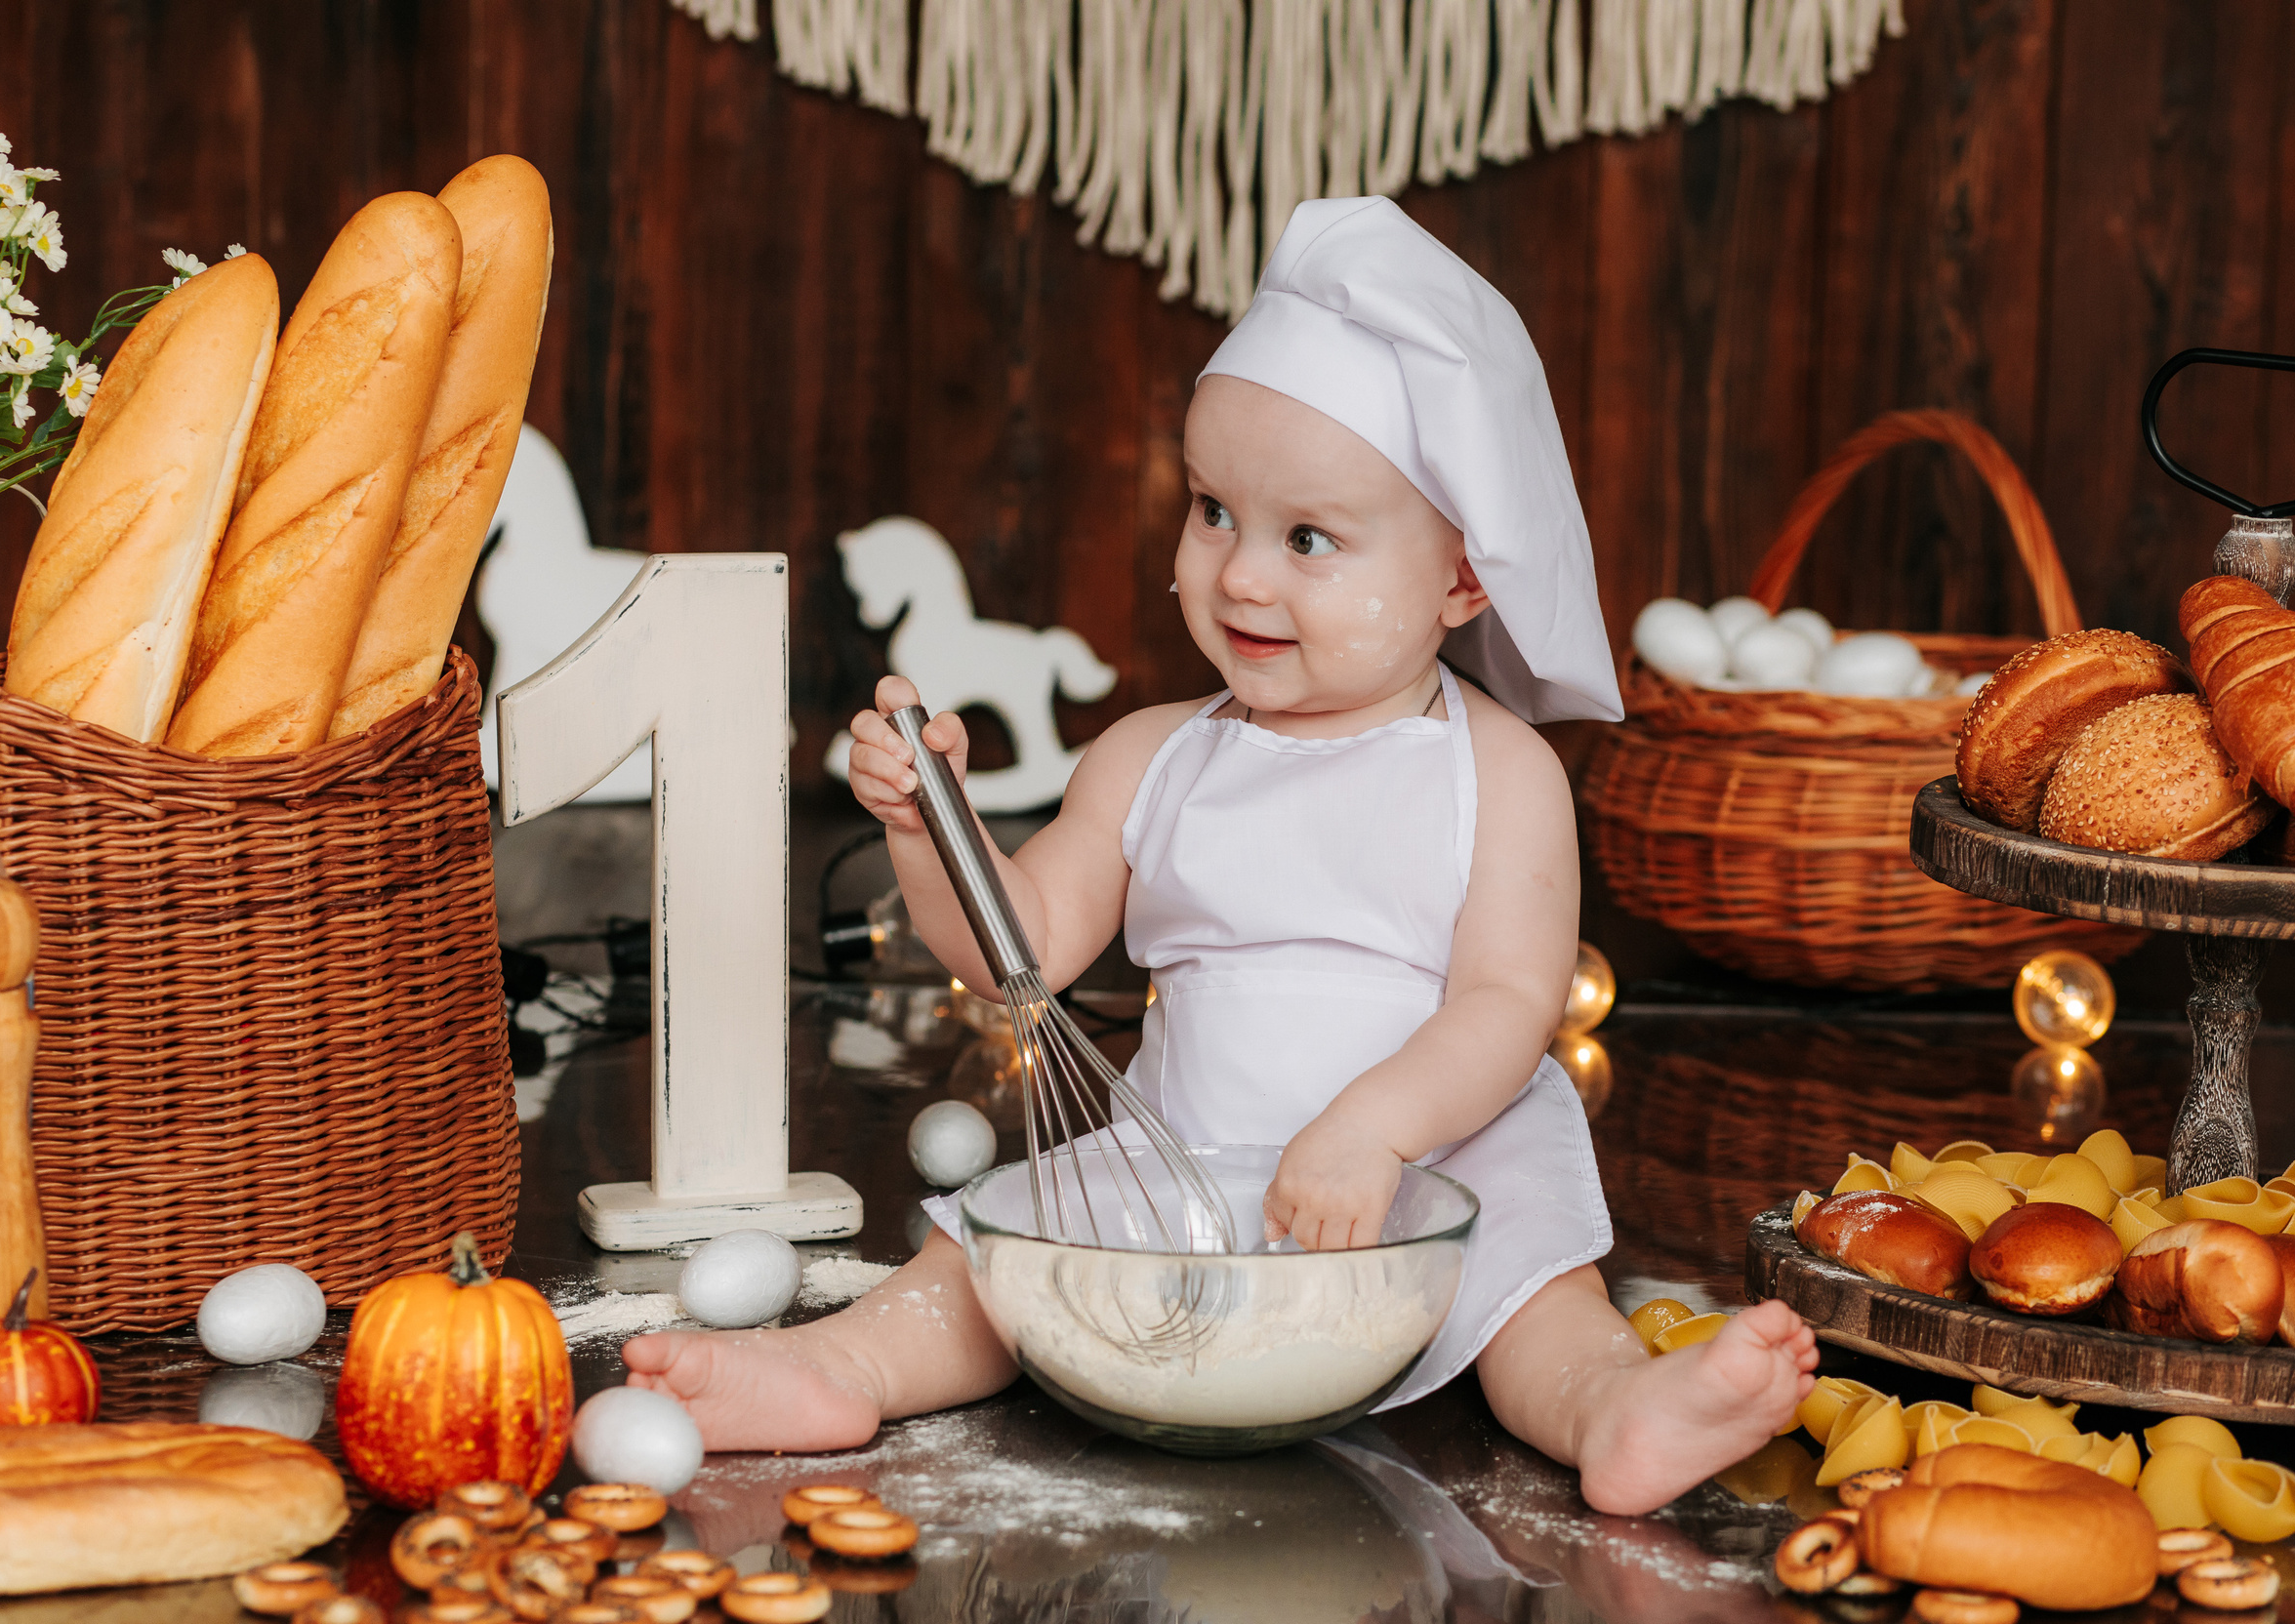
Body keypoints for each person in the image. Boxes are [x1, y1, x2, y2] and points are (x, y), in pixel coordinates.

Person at [625, 196, 1816, 1514]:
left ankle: (1615, 1413)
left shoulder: (1501, 775)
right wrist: (930, 836)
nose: (1241, 576)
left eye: (1309, 538)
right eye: (1211, 512)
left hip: (1429, 1165)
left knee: (1537, 1295)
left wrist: (1376, 1130)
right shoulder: (1151, 757)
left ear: (1464, 582)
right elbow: (1017, 951)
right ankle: (837, 1367)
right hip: (1185, 1165)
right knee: (986, 1257)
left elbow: (1507, 1002)